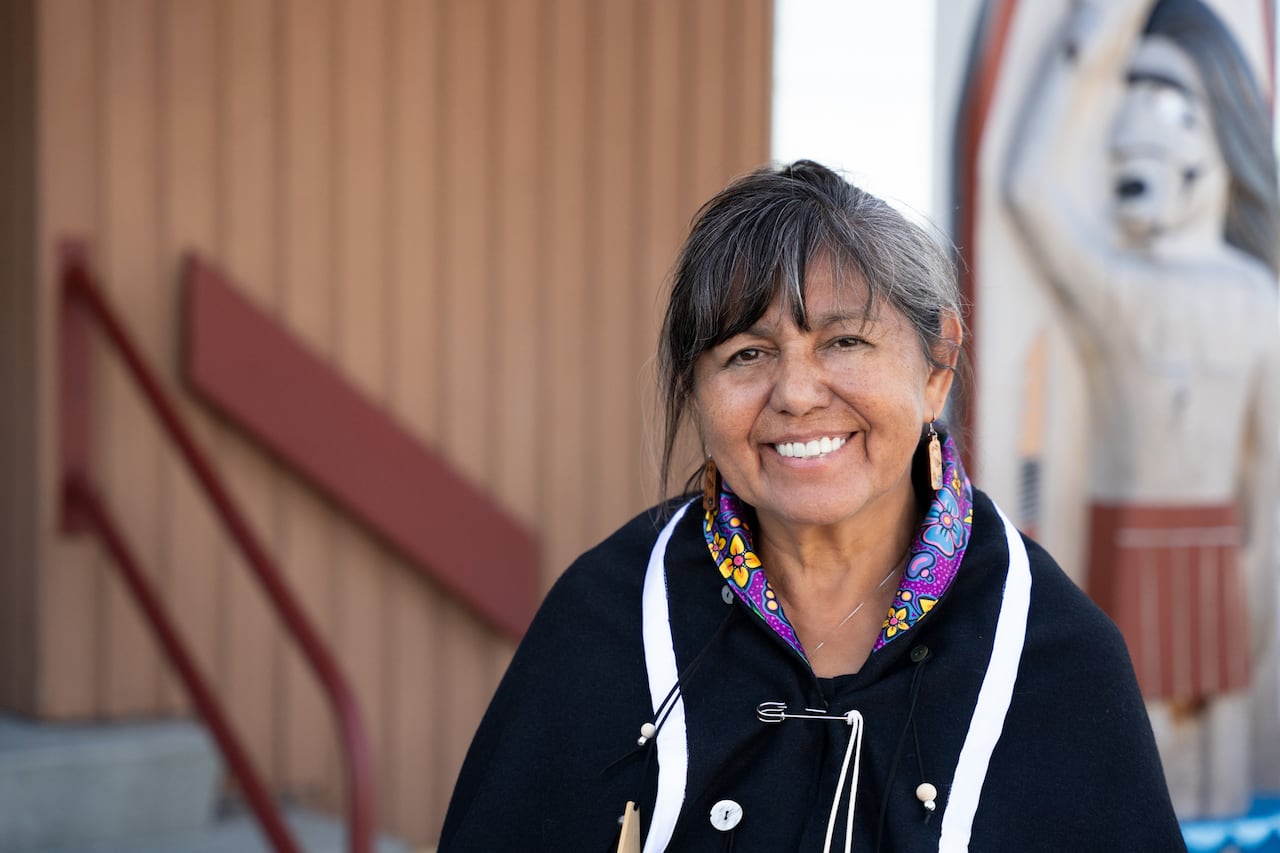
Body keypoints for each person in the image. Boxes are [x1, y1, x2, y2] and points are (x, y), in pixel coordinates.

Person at [439, 161, 1185, 851]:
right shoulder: (608, 618)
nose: (796, 393)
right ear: (697, 389)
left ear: (938, 363)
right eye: (746, 354)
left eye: (846, 341)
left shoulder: (1052, 651)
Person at [1003, 0, 1280, 817]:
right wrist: (1094, 34)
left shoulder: (1258, 297)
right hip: (1129, 537)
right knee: (1137, 750)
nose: (1132, 135)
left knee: (1222, 758)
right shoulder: (1120, 289)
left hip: (1218, 549)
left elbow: (1268, 468)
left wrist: (1258, 591)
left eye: (1167, 103)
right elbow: (1026, 187)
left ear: (1219, 130)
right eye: (1130, 98)